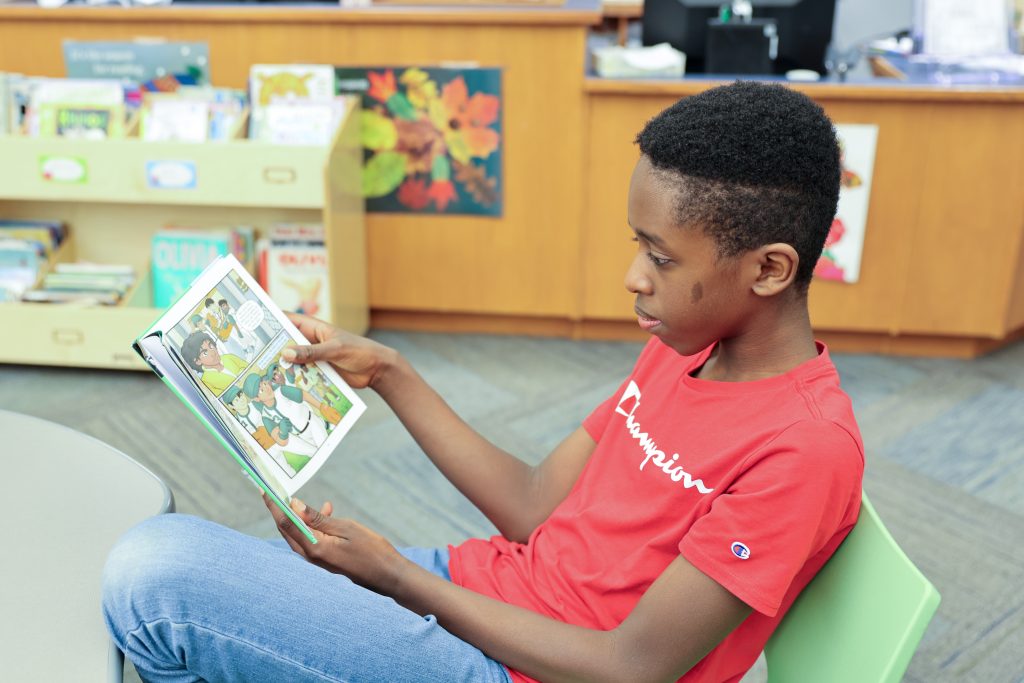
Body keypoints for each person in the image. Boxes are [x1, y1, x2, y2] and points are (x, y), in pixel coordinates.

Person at [103, 81, 863, 683]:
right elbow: (536, 506)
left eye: (661, 258)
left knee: (154, 572)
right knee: (165, 566)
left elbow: (632, 666)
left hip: (524, 666)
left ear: (768, 268)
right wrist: (392, 374)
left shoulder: (805, 449)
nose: (633, 277)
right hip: (489, 595)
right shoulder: (686, 345)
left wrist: (398, 578)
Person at [180, 330, 248, 397]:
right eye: (205, 353)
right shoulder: (206, 382)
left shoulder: (229, 357)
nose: (213, 353)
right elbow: (226, 399)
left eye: (211, 346)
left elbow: (252, 368)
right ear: (197, 361)